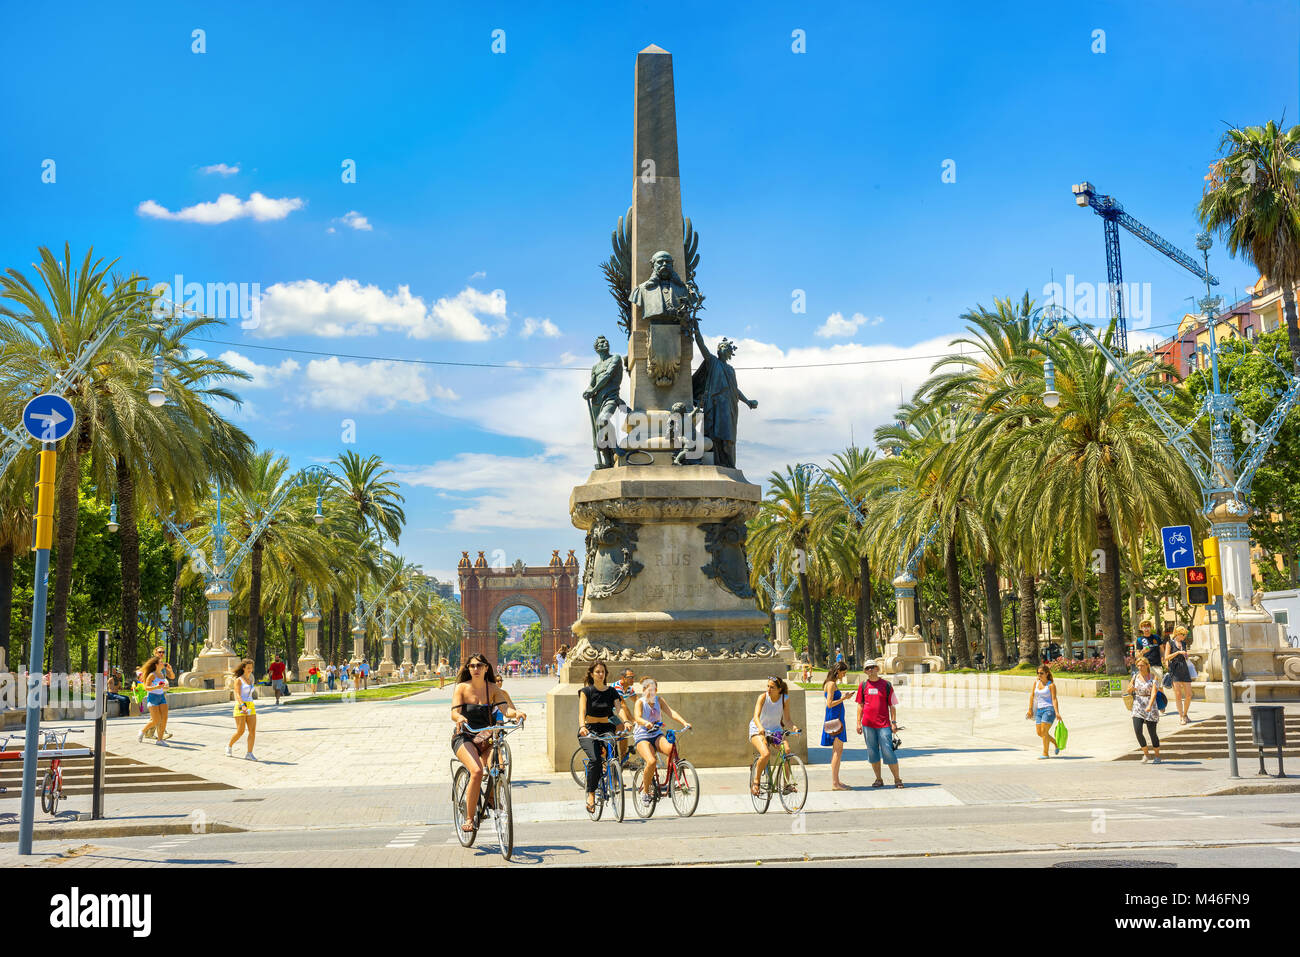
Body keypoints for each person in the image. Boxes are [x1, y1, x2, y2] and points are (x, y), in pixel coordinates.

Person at [451, 654, 525, 833]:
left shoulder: (492, 688)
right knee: (476, 771)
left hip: (487, 737)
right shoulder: (461, 688)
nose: (475, 669)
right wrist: (460, 717)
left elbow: (505, 709)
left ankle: (491, 797)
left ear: (486, 668)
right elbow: (454, 713)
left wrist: (516, 714)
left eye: (479, 665)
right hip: (465, 736)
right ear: (468, 668)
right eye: (472, 666)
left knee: (498, 767)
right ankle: (469, 818)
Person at [577, 660, 631, 813]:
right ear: (592, 674)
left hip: (607, 727)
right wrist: (582, 726)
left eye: (603, 672)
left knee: (612, 752)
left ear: (606, 674)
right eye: (598, 672)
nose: (601, 674)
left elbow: (618, 709)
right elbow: (581, 712)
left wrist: (625, 721)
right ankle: (591, 794)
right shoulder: (585, 691)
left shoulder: (612, 691)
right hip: (589, 729)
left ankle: (613, 776)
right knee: (595, 760)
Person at [630, 676, 690, 798]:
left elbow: (671, 712)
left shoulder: (659, 700)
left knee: (671, 750)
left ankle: (672, 781)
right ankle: (645, 792)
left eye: (653, 690)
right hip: (642, 736)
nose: (651, 692)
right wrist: (645, 722)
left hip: (656, 734)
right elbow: (637, 717)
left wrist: (684, 722)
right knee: (651, 761)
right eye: (648, 690)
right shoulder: (640, 702)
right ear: (644, 689)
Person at [854, 660, 902, 788]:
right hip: (867, 725)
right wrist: (858, 723)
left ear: (877, 668)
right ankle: (878, 779)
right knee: (872, 752)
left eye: (872, 667)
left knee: (888, 751)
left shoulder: (886, 685)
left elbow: (892, 705)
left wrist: (894, 722)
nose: (870, 670)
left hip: (884, 725)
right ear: (865, 671)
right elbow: (860, 705)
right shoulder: (863, 685)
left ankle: (897, 779)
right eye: (867, 668)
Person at [749, 676, 799, 797]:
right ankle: (756, 782)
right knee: (765, 754)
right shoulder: (763, 697)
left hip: (775, 730)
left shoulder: (784, 699)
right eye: (768, 686)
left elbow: (787, 720)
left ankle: (786, 784)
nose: (769, 689)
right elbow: (756, 716)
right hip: (758, 729)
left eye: (772, 687)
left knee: (786, 751)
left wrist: (794, 728)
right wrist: (760, 727)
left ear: (779, 689)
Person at [822, 662, 853, 790]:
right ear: (838, 671)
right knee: (837, 751)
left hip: (834, 719)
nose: (844, 675)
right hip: (835, 720)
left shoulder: (829, 683)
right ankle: (835, 783)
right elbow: (829, 703)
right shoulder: (831, 684)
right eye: (843, 672)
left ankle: (837, 781)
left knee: (837, 751)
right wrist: (844, 698)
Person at [1126, 655, 1161, 763]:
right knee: (1137, 731)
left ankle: (1157, 756)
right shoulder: (1135, 676)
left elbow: (1154, 692)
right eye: (1138, 666)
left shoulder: (1153, 677)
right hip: (1138, 705)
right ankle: (1146, 754)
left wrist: (1150, 705)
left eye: (1142, 665)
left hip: (1150, 705)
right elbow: (1128, 690)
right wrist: (1131, 689)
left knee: (1152, 734)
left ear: (1147, 666)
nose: (1140, 667)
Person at [137, 649, 174, 745]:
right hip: (153, 697)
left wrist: (169, 671)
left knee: (164, 718)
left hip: (161, 697)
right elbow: (146, 687)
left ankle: (160, 740)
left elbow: (172, 677)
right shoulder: (151, 675)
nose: (163, 663)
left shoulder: (162, 674)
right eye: (161, 662)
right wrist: (156, 687)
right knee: (156, 720)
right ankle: (142, 731)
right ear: (156, 665)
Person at [1026, 663, 1061, 758]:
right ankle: (1056, 743)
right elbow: (1032, 696)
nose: (1039, 675)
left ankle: (1045, 753)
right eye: (1038, 673)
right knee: (1040, 733)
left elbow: (1054, 699)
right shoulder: (1036, 683)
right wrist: (1030, 709)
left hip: (1049, 710)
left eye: (1041, 673)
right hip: (1039, 711)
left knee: (1044, 731)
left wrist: (1057, 712)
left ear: (1047, 673)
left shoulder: (1051, 685)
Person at [227, 659, 258, 760]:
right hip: (240, 706)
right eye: (248, 668)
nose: (250, 670)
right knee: (240, 731)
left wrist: (248, 705)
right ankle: (229, 746)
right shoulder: (238, 680)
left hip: (251, 706)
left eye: (251, 668)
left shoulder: (250, 680)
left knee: (252, 731)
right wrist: (242, 705)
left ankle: (249, 753)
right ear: (243, 668)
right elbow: (237, 694)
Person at [1163, 625, 1194, 725]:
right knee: (1178, 695)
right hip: (1175, 669)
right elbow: (1166, 657)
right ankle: (1181, 716)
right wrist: (1177, 653)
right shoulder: (1170, 643)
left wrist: (1185, 655)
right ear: (1177, 634)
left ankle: (1185, 714)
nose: (1184, 637)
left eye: (1185, 635)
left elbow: (1185, 657)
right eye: (1183, 634)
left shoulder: (1184, 643)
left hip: (1184, 669)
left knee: (1189, 694)